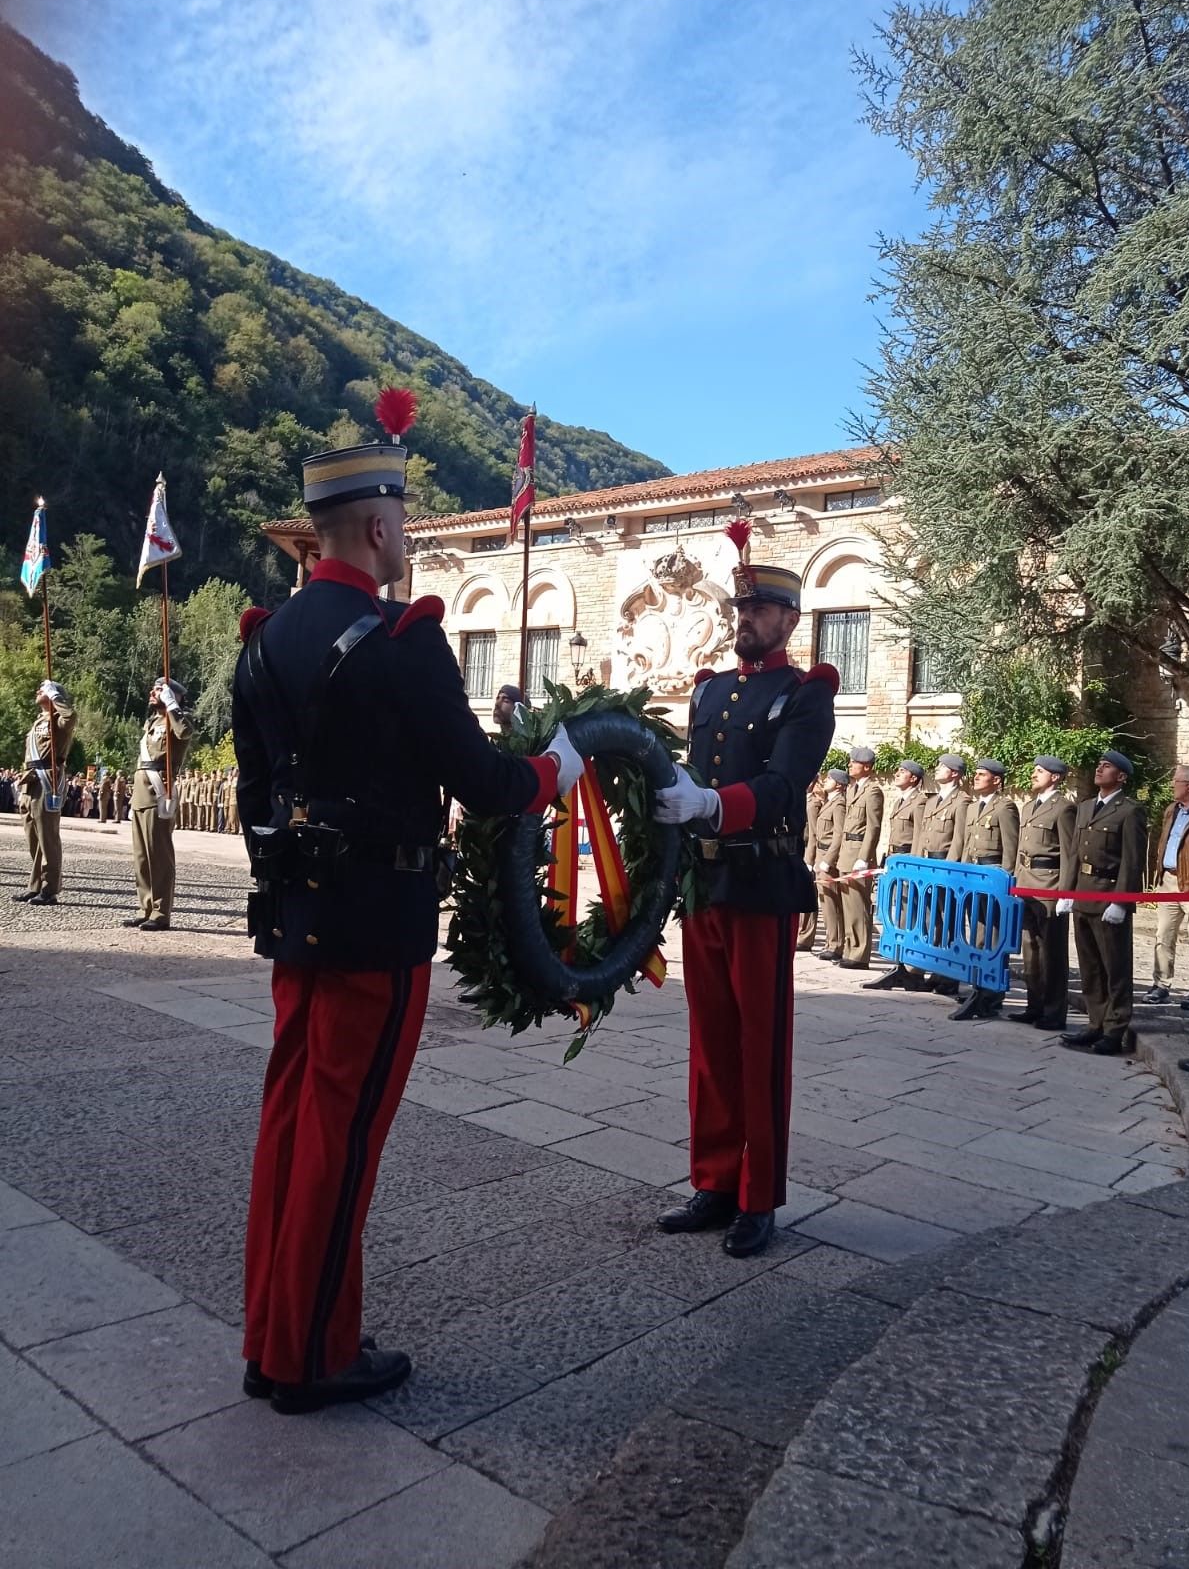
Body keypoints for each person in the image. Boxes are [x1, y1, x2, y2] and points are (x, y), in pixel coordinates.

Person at [232, 418, 584, 1415]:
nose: (407, 540)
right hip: (380, 925)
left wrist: (290, 890)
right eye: (404, 523)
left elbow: (260, 798)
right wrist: (555, 767)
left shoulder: (262, 646)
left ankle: (274, 1334)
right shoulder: (403, 641)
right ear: (379, 529)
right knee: (342, 1137)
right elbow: (481, 779)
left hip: (296, 920)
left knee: (291, 1121)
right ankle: (310, 1355)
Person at [653, 558, 837, 1259]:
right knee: (711, 1043)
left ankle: (758, 1196)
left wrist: (713, 805)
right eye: (741, 610)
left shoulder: (805, 693)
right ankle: (715, 1181)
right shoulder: (710, 691)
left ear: (790, 620)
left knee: (759, 1044)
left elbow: (784, 786)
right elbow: (690, 775)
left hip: (760, 887)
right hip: (705, 887)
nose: (746, 622)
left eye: (761, 612)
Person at [1059, 750, 1147, 1056]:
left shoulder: (1129, 810)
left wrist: (1121, 902)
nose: (1099, 768)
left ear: (1121, 777)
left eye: (1107, 766)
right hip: (1083, 894)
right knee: (1090, 966)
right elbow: (1073, 855)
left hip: (1109, 894)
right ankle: (1095, 1023)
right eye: (1099, 764)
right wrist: (1066, 892)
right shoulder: (1084, 808)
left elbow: (1132, 862)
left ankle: (1114, 1029)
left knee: (1115, 967)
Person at [1011, 755, 1076, 1031]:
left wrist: (1067, 893)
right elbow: (1019, 851)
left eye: (1041, 771)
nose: (1034, 774)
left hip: (1049, 885)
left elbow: (1070, 853)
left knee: (1052, 952)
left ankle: (1053, 1012)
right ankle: (1033, 1005)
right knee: (1031, 951)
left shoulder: (1064, 809)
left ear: (1056, 777)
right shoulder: (1027, 807)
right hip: (1026, 882)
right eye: (1035, 770)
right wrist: (1014, 882)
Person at [952, 757, 1020, 1021]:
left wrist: (1005, 883)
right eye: (976, 774)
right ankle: (978, 985)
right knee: (977, 934)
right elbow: (967, 844)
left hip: (993, 878)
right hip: (973, 877)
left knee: (993, 936)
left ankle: (991, 993)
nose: (976, 777)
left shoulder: (1005, 807)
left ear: (997, 780)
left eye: (982, 774)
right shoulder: (971, 808)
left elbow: (1011, 850)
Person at [125, 677, 193, 931]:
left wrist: (172, 706)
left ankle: (161, 912)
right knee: (142, 857)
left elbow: (185, 733)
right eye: (154, 689)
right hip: (141, 794)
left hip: (158, 792)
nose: (153, 692)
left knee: (159, 856)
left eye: (159, 690)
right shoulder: (153, 722)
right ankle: (146, 907)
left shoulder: (176, 720)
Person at [13, 679, 76, 906]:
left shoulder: (59, 720)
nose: (38, 690)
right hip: (30, 780)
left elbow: (71, 717)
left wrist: (57, 698)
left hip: (47, 780)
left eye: (44, 689)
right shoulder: (39, 720)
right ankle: (36, 884)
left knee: (47, 837)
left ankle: (50, 888)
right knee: (33, 838)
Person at [866, 758, 928, 991]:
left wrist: (914, 865)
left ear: (914, 778)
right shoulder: (900, 801)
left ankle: (913, 969)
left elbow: (920, 836)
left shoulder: (919, 802)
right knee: (897, 914)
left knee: (910, 916)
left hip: (908, 863)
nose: (897, 773)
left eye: (902, 771)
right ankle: (900, 965)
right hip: (895, 862)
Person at [912, 753, 971, 994]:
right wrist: (917, 863)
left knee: (950, 922)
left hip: (946, 867)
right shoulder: (933, 800)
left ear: (954, 773)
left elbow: (959, 839)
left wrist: (951, 868)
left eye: (942, 767)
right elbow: (922, 836)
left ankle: (950, 975)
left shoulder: (962, 801)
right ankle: (936, 968)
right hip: (928, 867)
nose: (936, 770)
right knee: (932, 921)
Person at [1144, 766, 1189, 1011]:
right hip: (1168, 882)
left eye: (1176, 781)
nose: (1172, 785)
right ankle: (1161, 985)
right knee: (1163, 936)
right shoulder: (1171, 811)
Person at [838, 745, 884, 969]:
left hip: (858, 851)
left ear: (866, 766)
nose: (850, 765)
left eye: (854, 762)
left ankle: (860, 953)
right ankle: (849, 948)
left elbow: (873, 827)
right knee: (848, 905)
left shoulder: (873, 791)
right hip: (846, 851)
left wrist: (864, 857)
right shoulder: (853, 789)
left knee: (858, 905)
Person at [813, 769, 849, 961]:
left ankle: (836, 944)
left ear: (839, 784)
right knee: (825, 901)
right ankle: (831, 941)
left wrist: (828, 860)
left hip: (828, 855)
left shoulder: (839, 804)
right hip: (820, 853)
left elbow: (838, 834)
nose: (826, 781)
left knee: (831, 902)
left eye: (830, 779)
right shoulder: (829, 802)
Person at [796, 780, 824, 952]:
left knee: (808, 894)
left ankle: (806, 936)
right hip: (798, 849)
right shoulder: (801, 799)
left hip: (807, 850)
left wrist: (809, 858)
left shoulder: (813, 803)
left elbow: (814, 834)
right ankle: (801, 932)